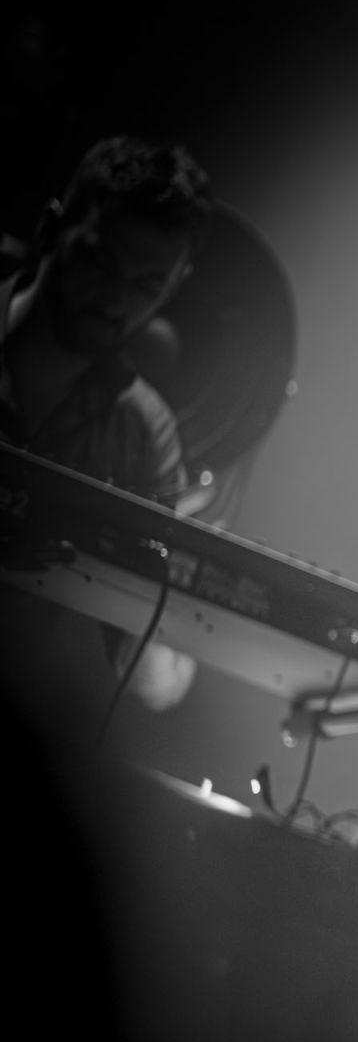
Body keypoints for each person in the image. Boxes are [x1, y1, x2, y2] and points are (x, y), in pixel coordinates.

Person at [1, 135, 211, 711]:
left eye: (146, 285)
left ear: (174, 287)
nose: (116, 300)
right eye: (102, 262)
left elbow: (154, 685)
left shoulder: (145, 431)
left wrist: (150, 582)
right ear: (52, 229)